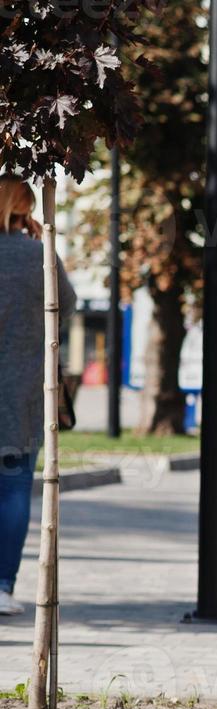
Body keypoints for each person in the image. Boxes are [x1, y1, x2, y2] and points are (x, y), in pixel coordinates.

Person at [0, 176, 76, 616]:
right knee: (12, 491)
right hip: (23, 395)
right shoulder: (38, 258)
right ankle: (2, 586)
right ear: (26, 208)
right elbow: (65, 305)